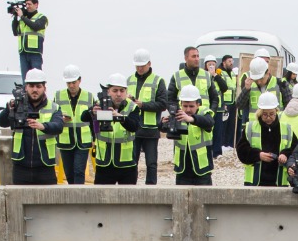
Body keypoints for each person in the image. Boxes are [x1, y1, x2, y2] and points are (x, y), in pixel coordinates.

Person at [0, 68, 64, 185]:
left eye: (38, 86)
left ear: (44, 88)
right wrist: (9, 109)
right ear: (26, 87)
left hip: (45, 166)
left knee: (47, 202)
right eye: (31, 86)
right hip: (21, 166)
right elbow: (2, 122)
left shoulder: (54, 107)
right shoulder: (17, 105)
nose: (35, 90)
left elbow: (58, 126)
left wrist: (43, 126)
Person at [85, 74, 142, 185]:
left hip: (126, 164)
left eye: (122, 90)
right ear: (108, 91)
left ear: (126, 91)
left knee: (128, 201)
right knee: (102, 200)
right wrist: (92, 111)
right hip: (104, 163)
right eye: (115, 90)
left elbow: (134, 126)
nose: (118, 94)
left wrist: (119, 116)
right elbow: (84, 117)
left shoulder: (132, 107)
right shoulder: (100, 104)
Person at [126, 49, 169, 186]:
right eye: (137, 65)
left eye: (142, 65)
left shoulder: (158, 81)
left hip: (150, 130)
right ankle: (131, 188)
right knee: (132, 162)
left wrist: (143, 105)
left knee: (151, 163)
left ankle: (151, 189)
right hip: (133, 129)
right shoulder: (129, 80)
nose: (139, 68)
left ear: (149, 64)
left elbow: (163, 105)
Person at [235, 90, 289, 186]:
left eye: (271, 114)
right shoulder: (250, 128)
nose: (268, 118)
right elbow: (241, 151)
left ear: (276, 111)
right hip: (254, 182)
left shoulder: (286, 128)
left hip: (279, 182)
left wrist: (285, 154)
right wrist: (258, 155)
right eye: (265, 114)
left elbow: (295, 149)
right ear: (259, 113)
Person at [166, 86, 216, 186]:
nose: (188, 109)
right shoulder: (177, 115)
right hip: (182, 169)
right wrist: (163, 124)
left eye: (191, 106)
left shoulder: (205, 113)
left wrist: (192, 119)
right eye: (185, 106)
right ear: (180, 104)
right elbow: (167, 131)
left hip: (202, 169)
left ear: (198, 104)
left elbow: (209, 122)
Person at [55, 65, 94, 185]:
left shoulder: (89, 96)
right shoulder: (58, 96)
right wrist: (61, 119)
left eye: (73, 82)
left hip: (83, 141)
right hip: (65, 141)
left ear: (79, 80)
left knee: (78, 170)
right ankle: (73, 196)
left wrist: (94, 137)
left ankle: (79, 197)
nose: (71, 85)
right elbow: (53, 115)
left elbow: (94, 119)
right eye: (68, 83)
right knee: (69, 173)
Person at [233, 56, 289, 127]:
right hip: (255, 129)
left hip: (276, 127)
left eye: (261, 78)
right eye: (256, 79)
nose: (259, 82)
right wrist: (246, 90)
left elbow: (288, 107)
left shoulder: (281, 84)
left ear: (268, 72)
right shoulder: (249, 85)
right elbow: (239, 105)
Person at [11, 0, 46, 75]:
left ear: (36, 5)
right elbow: (15, 32)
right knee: (25, 80)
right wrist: (15, 18)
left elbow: (35, 26)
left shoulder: (41, 17)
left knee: (37, 77)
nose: (27, 6)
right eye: (26, 4)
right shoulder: (22, 20)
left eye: (29, 4)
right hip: (23, 53)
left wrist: (22, 16)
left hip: (35, 53)